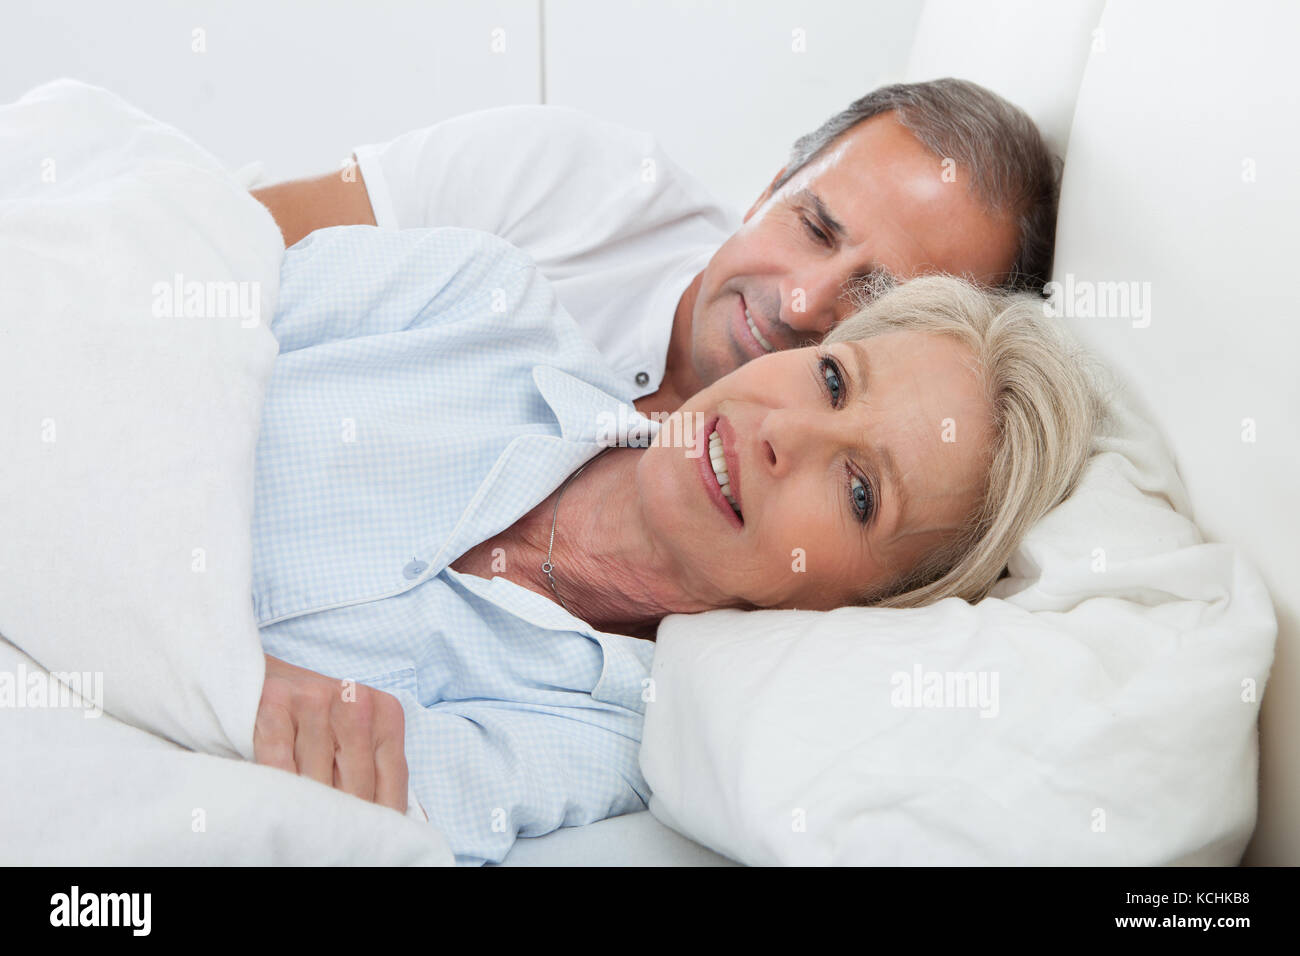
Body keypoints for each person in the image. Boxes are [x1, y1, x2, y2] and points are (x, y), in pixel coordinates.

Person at [250, 223, 1102, 865]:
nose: (785, 435)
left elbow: (300, 810)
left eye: (858, 493)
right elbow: (150, 314)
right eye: (834, 380)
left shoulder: (601, 744)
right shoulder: (481, 302)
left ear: (867, 607)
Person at [251, 79, 1060, 415]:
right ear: (767, 188)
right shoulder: (563, 175)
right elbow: (229, 239)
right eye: (813, 227)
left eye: (879, 301)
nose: (805, 302)